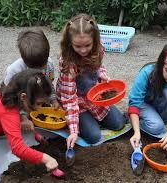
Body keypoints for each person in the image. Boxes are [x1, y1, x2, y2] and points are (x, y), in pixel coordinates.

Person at [0, 70, 59, 182]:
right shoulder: (8, 112)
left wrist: (26, 126)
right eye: (38, 103)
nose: (39, 108)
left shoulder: (1, 93)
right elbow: (18, 149)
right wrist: (46, 158)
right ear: (23, 97)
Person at [56, 13, 126, 148]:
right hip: (77, 102)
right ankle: (83, 122)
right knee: (94, 136)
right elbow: (69, 99)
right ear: (70, 43)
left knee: (119, 124)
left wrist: (103, 75)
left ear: (94, 40)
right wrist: (74, 131)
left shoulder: (98, 48)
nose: (83, 50)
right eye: (77, 46)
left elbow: (99, 66)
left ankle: (91, 120)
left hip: (94, 96)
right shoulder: (67, 62)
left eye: (87, 45)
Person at [3, 28, 59, 133]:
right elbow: (8, 98)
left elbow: (49, 85)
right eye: (35, 68)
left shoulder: (49, 64)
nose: (40, 70)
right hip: (18, 105)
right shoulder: (14, 70)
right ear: (24, 60)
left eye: (44, 65)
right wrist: (23, 117)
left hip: (36, 101)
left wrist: (53, 99)